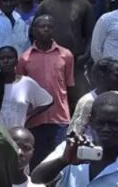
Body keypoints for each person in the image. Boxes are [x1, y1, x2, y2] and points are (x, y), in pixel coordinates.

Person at [18, 14, 76, 159]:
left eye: (49, 27)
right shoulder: (25, 58)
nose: (46, 30)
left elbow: (69, 86)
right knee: (37, 159)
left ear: (54, 30)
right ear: (34, 31)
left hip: (60, 117)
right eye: (41, 27)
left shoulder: (66, 55)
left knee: (59, 159)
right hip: (35, 119)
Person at [39, 0, 95, 100]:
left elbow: (91, 35)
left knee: (76, 97)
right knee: (50, 96)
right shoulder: (45, 6)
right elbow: (34, 33)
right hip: (50, 59)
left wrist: (86, 55)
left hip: (76, 61)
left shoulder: (84, 5)